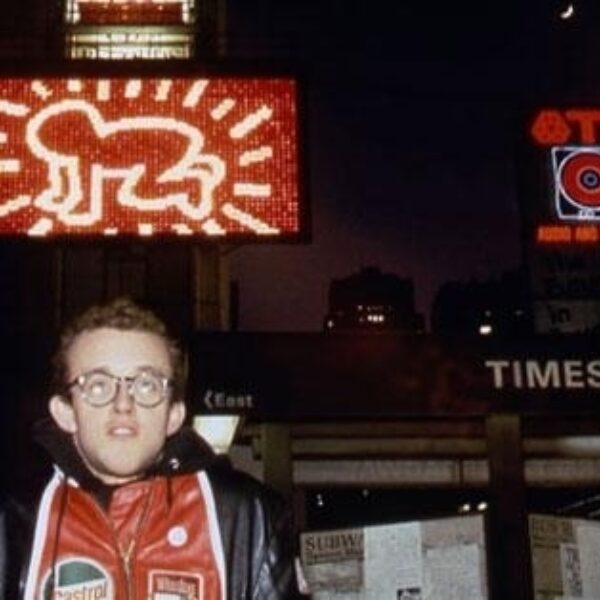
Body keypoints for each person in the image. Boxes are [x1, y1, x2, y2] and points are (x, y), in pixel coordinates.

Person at [0, 297, 299, 598]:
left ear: (173, 415)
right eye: (98, 385)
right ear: (64, 412)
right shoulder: (13, 522)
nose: (123, 404)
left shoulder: (247, 517)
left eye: (146, 385)